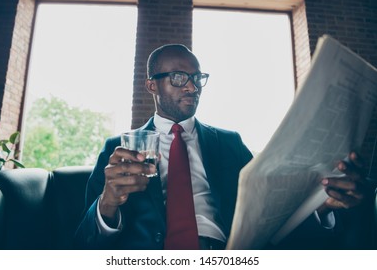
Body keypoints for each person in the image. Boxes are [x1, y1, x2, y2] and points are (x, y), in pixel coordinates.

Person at [74, 44, 372, 250]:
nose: (192, 87)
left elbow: (269, 216)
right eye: (179, 78)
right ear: (152, 85)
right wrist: (109, 202)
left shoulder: (230, 143)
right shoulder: (118, 148)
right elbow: (83, 241)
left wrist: (322, 204)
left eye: (197, 78)